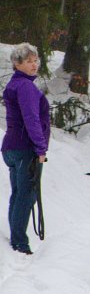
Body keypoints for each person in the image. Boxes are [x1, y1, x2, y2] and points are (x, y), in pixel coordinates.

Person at [2, 43, 50, 255]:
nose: (34, 64)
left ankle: (16, 238)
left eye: (35, 60)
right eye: (28, 61)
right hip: (24, 148)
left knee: (19, 193)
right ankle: (20, 243)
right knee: (27, 195)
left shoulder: (14, 84)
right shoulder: (25, 87)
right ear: (17, 64)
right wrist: (40, 148)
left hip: (11, 147)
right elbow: (31, 119)